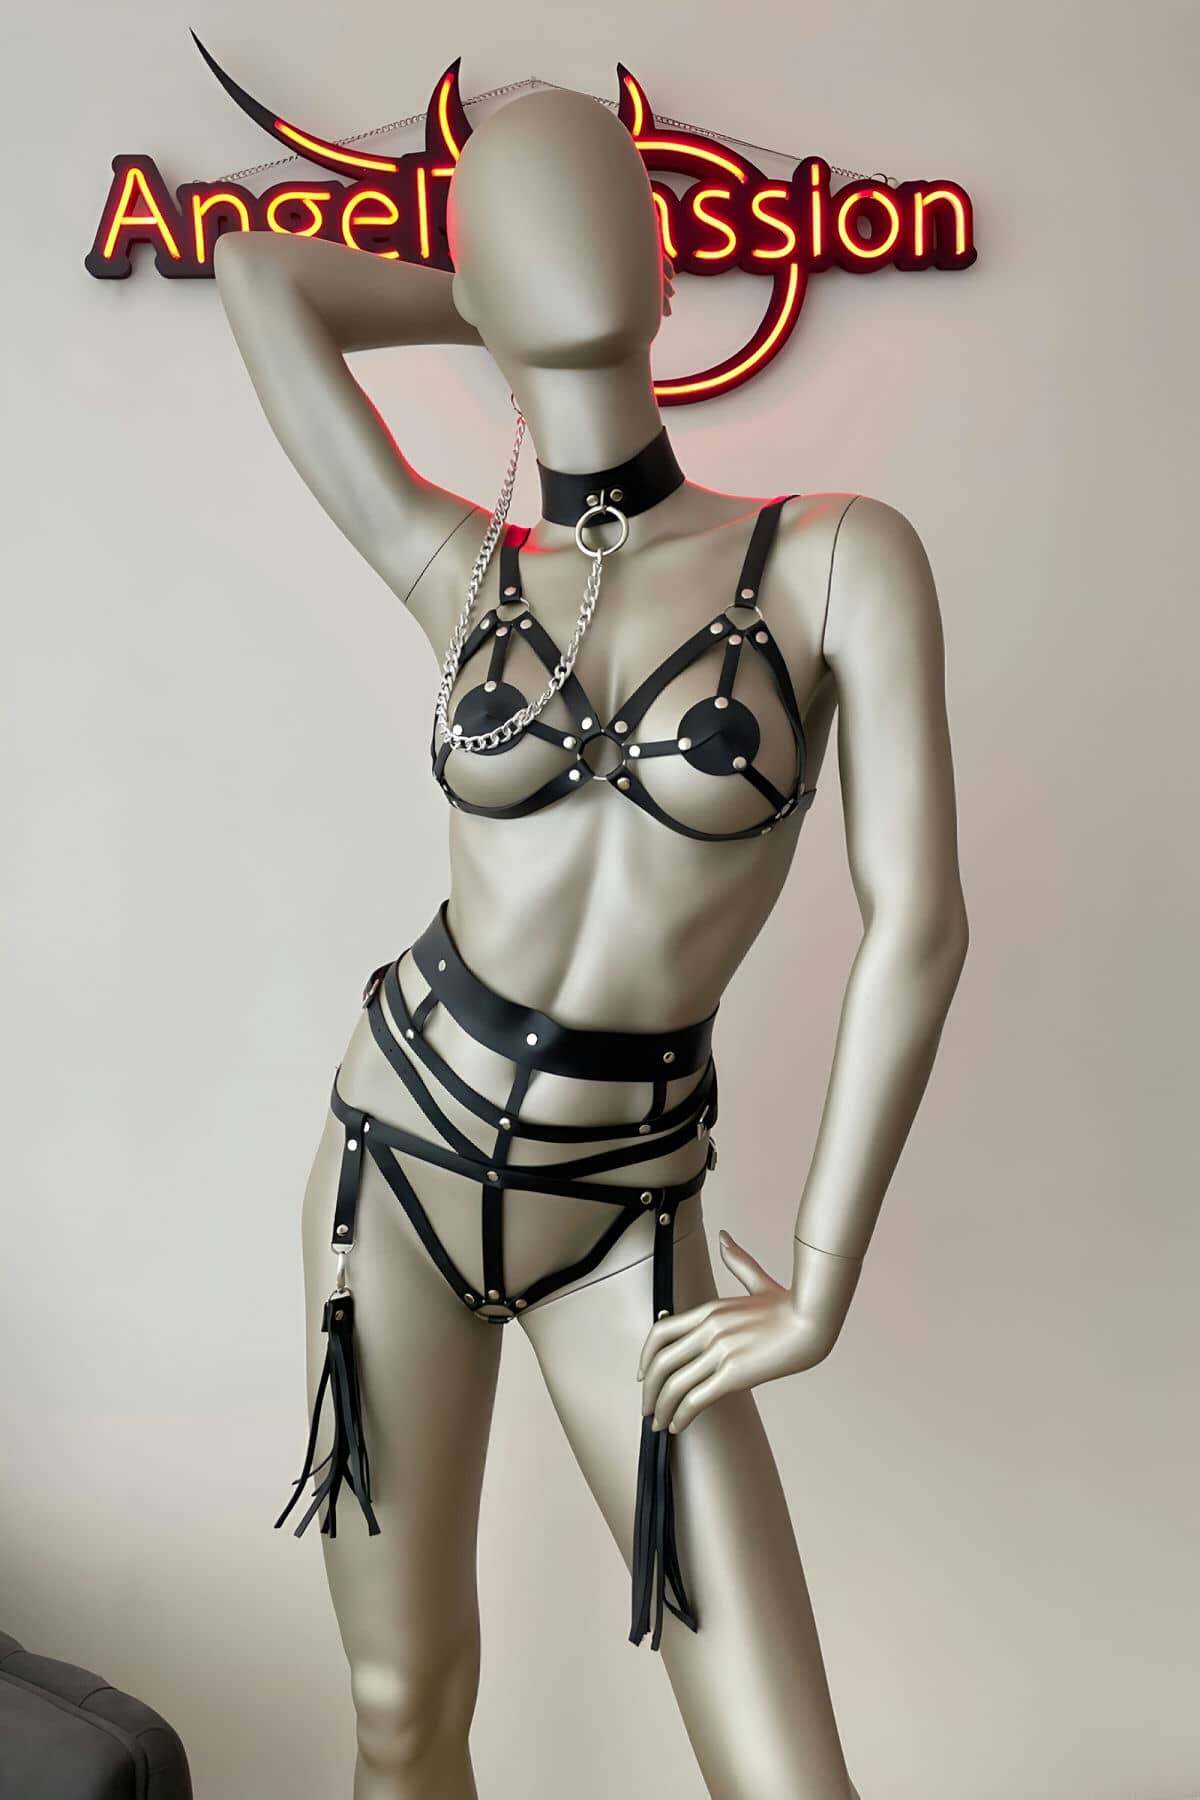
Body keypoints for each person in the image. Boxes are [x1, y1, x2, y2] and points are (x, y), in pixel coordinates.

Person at [213, 82, 967, 1800]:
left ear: (668, 256)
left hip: (627, 1208)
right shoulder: (458, 568)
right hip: (393, 1161)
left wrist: (821, 1276)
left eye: (609, 198)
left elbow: (918, 927)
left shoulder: (836, 559)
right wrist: (483, 292)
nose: (565, 228)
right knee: (404, 1713)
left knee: (789, 1779)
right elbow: (261, 273)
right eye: (512, 216)